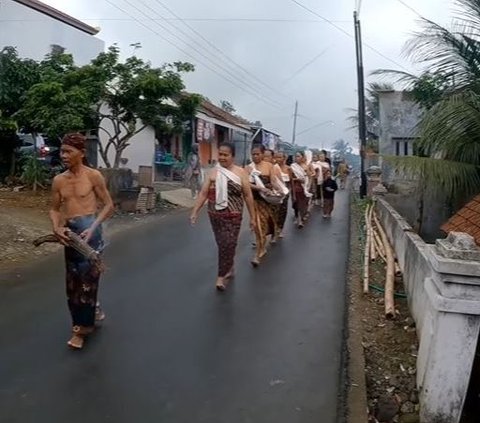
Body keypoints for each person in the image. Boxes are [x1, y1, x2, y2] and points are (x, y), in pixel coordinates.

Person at [50, 133, 114, 350]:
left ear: (82, 153)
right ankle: (92, 309)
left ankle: (80, 329)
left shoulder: (93, 176)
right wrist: (57, 227)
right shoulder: (59, 180)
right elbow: (54, 209)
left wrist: (93, 227)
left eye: (69, 151)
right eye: (62, 151)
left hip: (91, 234)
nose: (64, 155)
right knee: (72, 284)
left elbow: (108, 205)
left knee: (87, 283)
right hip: (71, 235)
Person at [190, 142, 256, 291]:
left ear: (233, 156)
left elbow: (247, 195)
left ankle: (221, 276)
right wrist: (194, 212)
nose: (222, 157)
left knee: (228, 243)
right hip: (215, 215)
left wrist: (252, 217)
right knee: (223, 244)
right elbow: (203, 194)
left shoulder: (240, 173)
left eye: (226, 155)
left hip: (234, 215)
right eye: (220, 154)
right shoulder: (212, 173)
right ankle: (230, 266)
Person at [247, 144, 279, 266]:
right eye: (253, 154)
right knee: (257, 226)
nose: (255, 156)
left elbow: (273, 181)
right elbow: (246, 184)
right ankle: (259, 251)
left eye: (257, 154)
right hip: (254, 200)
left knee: (263, 224)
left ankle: (260, 250)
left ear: (262, 154)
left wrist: (279, 190)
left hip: (266, 200)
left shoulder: (269, 166)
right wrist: (259, 188)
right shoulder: (248, 168)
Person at [290, 151, 313, 228]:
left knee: (303, 204)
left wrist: (308, 186)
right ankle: (299, 219)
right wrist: (297, 179)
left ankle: (301, 218)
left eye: (298, 156)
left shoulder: (306, 167)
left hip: (304, 188)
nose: (297, 158)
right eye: (296, 156)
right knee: (296, 203)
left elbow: (310, 177)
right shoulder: (292, 166)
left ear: (302, 157)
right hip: (296, 188)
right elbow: (290, 178)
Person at [274, 151, 291, 238]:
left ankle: (280, 229)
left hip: (285, 194)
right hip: (275, 193)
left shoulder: (288, 169)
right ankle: (273, 230)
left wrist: (293, 195)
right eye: (276, 157)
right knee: (274, 212)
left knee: (282, 211)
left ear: (284, 158)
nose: (278, 159)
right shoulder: (273, 168)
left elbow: (291, 182)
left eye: (280, 157)